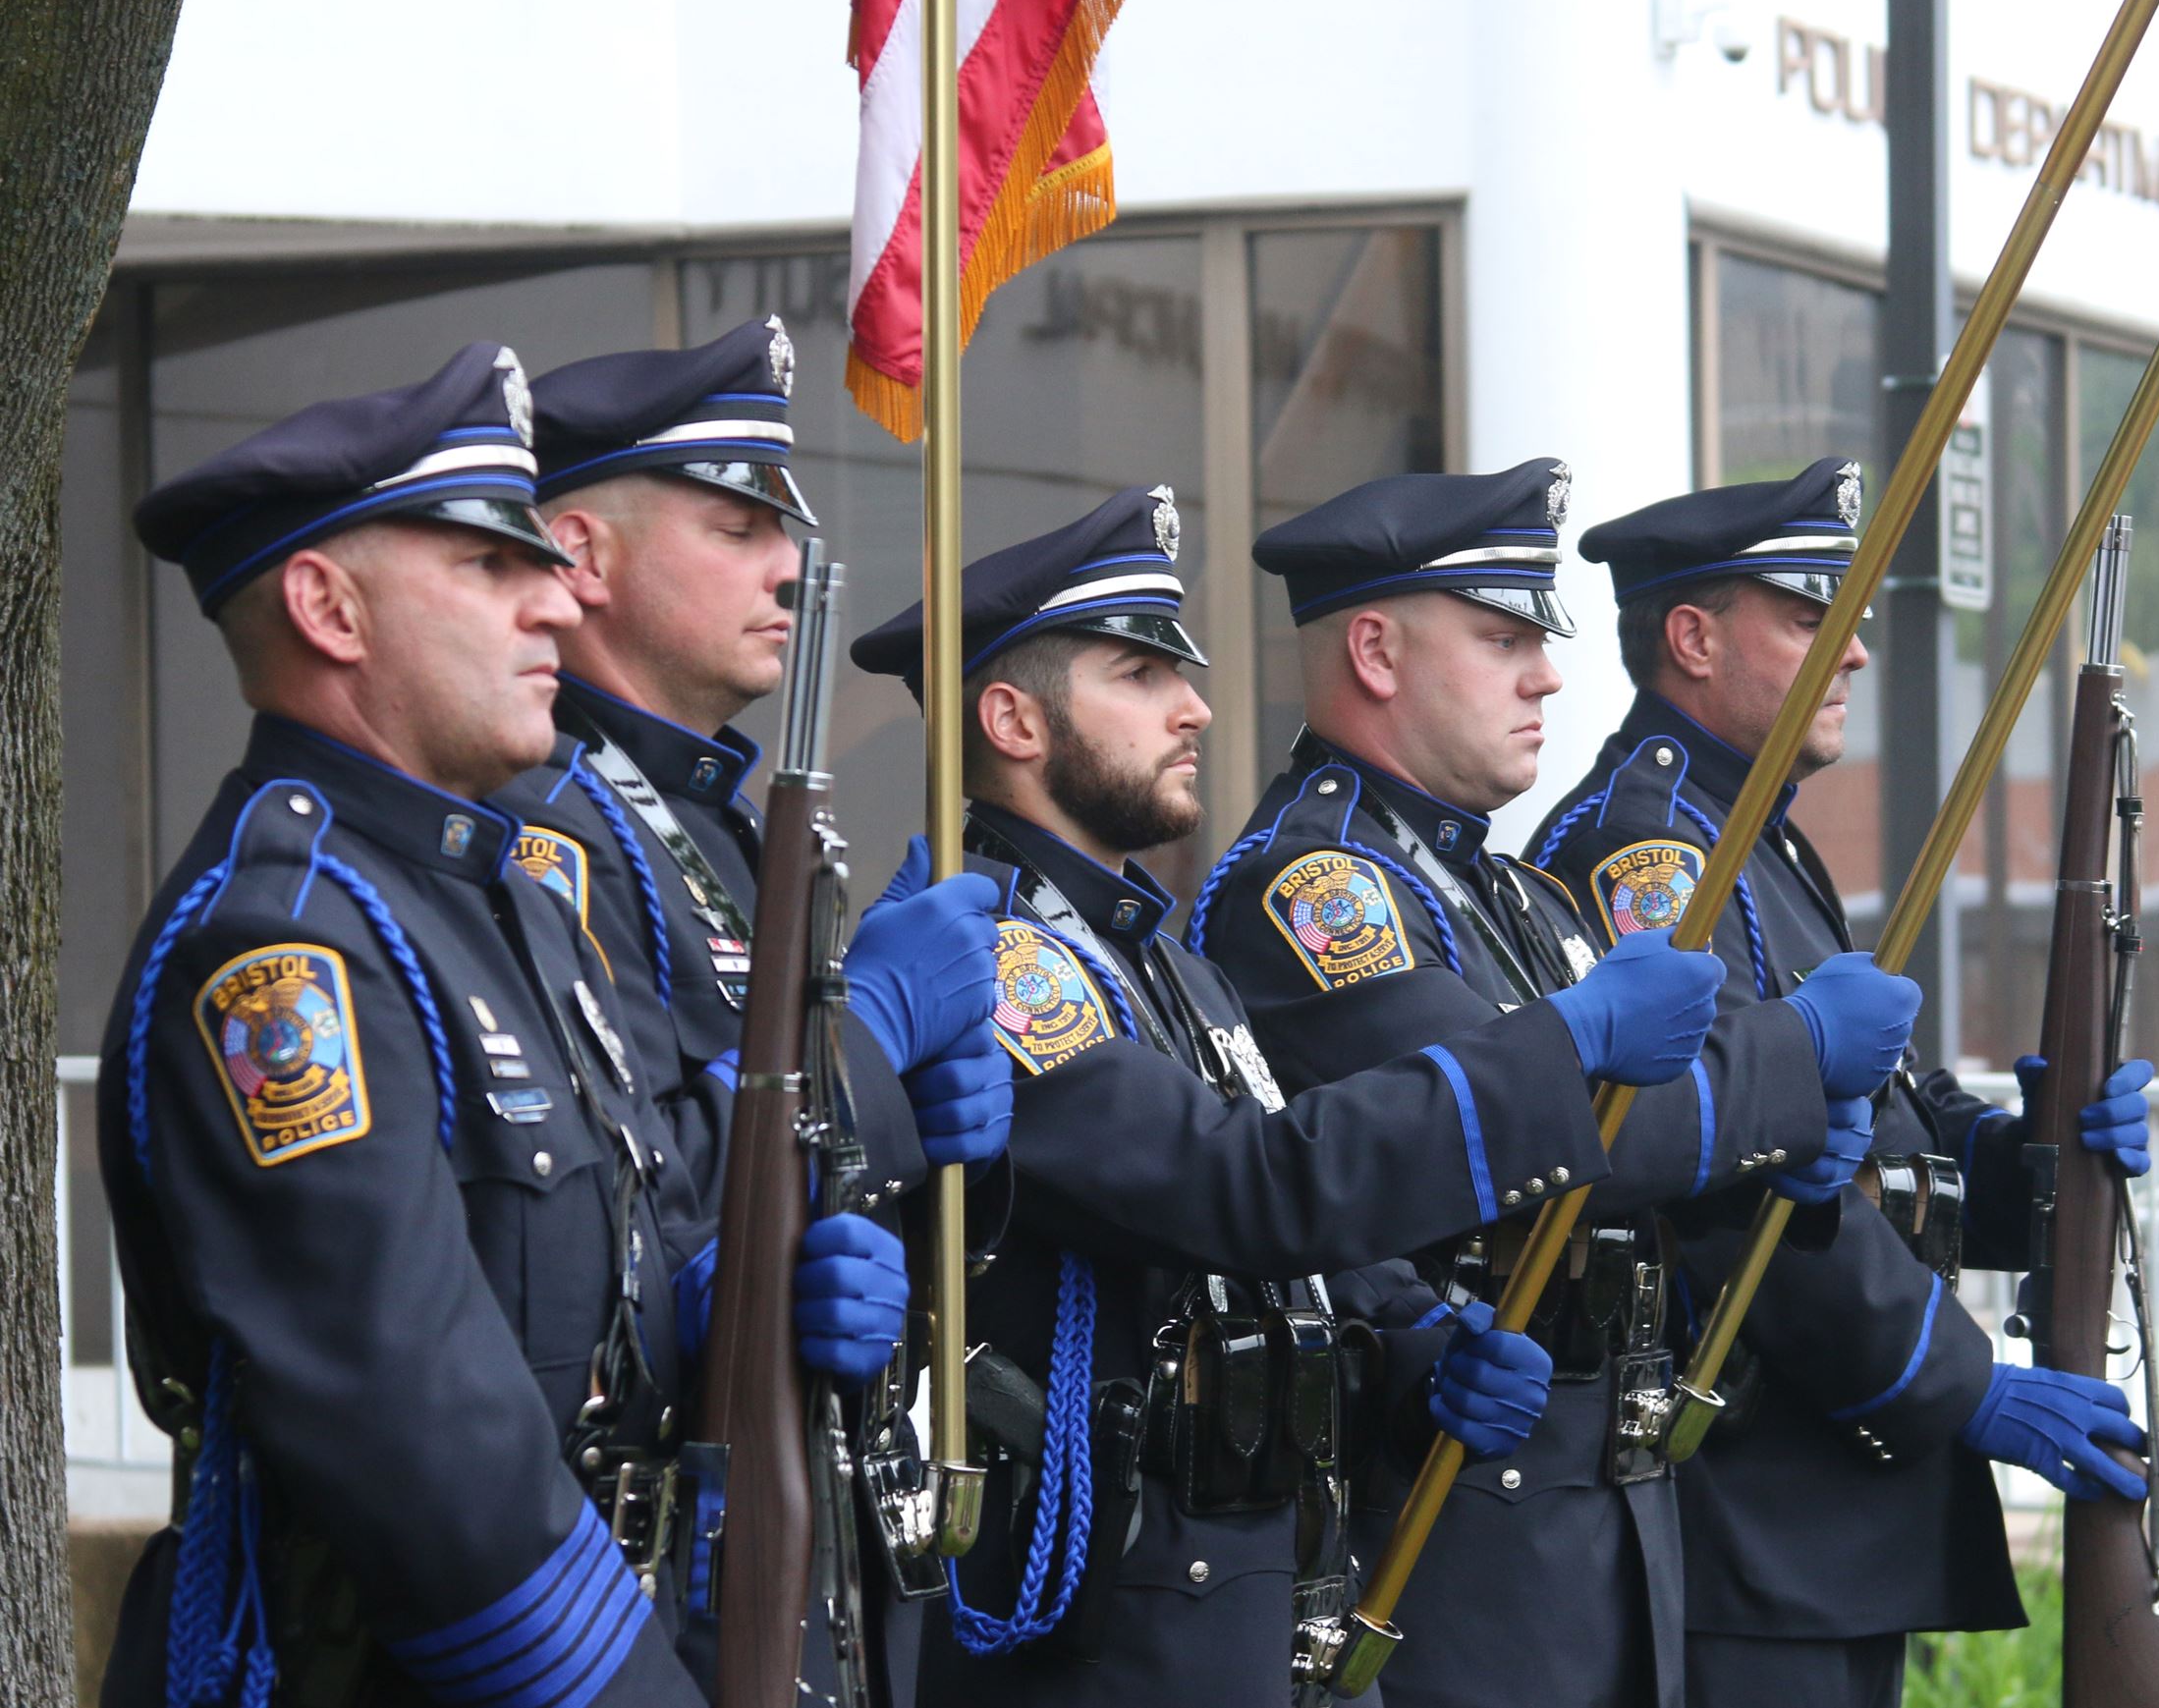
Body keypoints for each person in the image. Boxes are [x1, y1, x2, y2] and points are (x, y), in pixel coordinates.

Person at [92, 345, 951, 1708]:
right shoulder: (283, 950)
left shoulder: (498, 900)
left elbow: (607, 1271)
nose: (554, 598)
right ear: (327, 607)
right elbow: (428, 1454)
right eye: (491, 565)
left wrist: (734, 1302)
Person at [848, 482, 1730, 1707]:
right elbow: (1239, 1189)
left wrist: (1410, 1343)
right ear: (1011, 720)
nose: (1194, 707)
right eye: (1138, 675)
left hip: (1245, 1588)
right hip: (1114, 1628)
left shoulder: (1152, 956)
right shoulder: (992, 962)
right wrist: (1564, 1042)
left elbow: (1274, 1229)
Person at [1190, 459, 1886, 1708]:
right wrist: (1793, 1060)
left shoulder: (1498, 888)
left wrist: (1794, 1142)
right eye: (1503, 640)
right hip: (1467, 1519)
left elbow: (1646, 1112)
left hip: (1595, 1503)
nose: (1547, 676)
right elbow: (1567, 1136)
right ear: (1375, 653)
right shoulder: (1320, 889)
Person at [1530, 458, 2157, 1708]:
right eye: (1811, 617)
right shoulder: (1646, 850)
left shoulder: (1751, 835)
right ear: (1694, 639)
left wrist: (2025, 1154)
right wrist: (1956, 1380)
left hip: (1825, 1503)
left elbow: (1874, 1118)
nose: (1856, 652)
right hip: (1751, 1504)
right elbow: (1720, 1179)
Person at [492, 316, 1009, 1702]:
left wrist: (912, 1126)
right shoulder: (551, 828)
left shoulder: (734, 818)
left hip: (810, 1513)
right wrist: (871, 1041)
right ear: (582, 556)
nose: (785, 564)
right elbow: (623, 1187)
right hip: (660, 1557)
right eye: (735, 525)